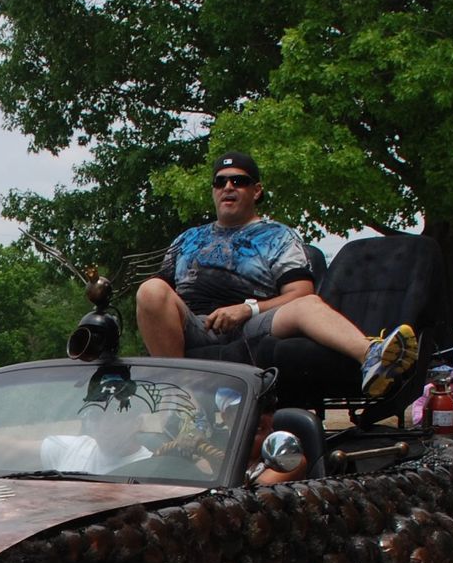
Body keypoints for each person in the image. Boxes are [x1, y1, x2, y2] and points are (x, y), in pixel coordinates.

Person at [133, 153, 417, 397]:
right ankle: (179, 393)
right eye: (220, 182)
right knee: (150, 290)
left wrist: (247, 309)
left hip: (252, 324)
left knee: (308, 304)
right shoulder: (187, 239)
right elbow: (157, 302)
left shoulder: (278, 236)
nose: (228, 187)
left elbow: (301, 292)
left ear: (256, 191)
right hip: (196, 325)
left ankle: (373, 357)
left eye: (238, 181)